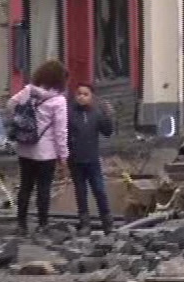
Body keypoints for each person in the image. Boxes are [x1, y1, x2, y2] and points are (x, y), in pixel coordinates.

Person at [8, 59, 69, 235]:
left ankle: (21, 224)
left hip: (25, 148)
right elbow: (60, 132)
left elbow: (10, 105)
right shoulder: (58, 101)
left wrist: (21, 118)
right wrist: (63, 156)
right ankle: (43, 224)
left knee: (25, 186)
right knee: (44, 188)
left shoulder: (28, 91)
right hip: (46, 153)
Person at [67, 83, 114, 234]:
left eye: (85, 94)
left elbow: (107, 132)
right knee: (81, 192)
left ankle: (107, 222)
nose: (81, 96)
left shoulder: (96, 113)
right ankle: (85, 223)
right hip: (75, 159)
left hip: (92, 159)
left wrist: (108, 116)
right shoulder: (70, 113)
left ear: (91, 97)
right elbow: (63, 135)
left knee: (99, 190)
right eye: (79, 93)